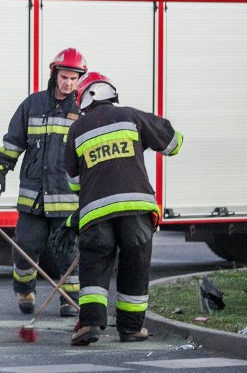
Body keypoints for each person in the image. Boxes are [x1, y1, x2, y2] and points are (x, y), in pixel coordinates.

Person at [57, 71, 183, 346]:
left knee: (95, 266)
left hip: (96, 212)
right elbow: (173, 143)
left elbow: (74, 181)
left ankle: (89, 325)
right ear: (110, 93)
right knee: (135, 267)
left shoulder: (77, 129)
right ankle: (131, 329)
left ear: (84, 100)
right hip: (137, 209)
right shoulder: (132, 116)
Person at [0, 48, 87, 317]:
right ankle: (25, 291)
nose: (68, 83)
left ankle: (69, 300)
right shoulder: (32, 104)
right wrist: (2, 170)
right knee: (24, 247)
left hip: (66, 198)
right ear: (54, 74)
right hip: (33, 195)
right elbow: (14, 141)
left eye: (74, 79)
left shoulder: (82, 110)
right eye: (64, 77)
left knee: (67, 253)